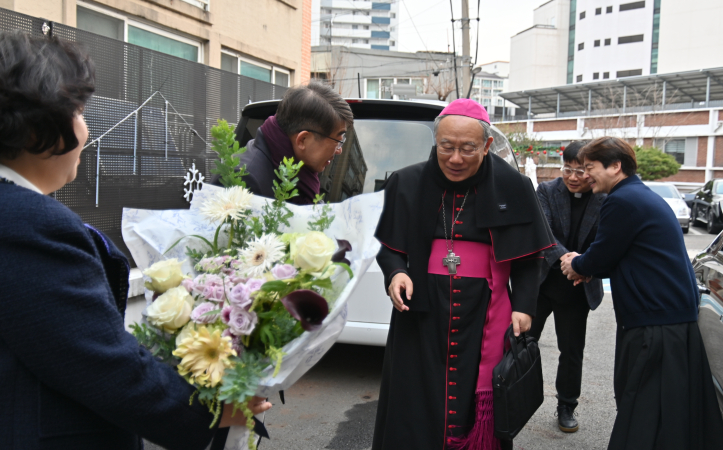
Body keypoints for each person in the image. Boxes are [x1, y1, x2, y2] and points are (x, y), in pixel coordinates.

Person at [0, 31, 271, 450]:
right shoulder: (31, 226)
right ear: (38, 128)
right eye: (79, 113)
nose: (87, 130)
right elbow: (100, 363)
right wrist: (210, 410)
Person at [372, 99, 555, 450]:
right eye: (446, 147)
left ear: (487, 145)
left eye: (468, 148)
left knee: (473, 404)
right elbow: (387, 244)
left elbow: (529, 257)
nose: (455, 158)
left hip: (483, 313)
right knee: (413, 403)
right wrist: (395, 273)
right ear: (436, 142)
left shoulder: (514, 187)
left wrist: (524, 307)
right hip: (420, 317)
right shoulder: (406, 182)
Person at [560, 137, 723, 450]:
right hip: (668, 321)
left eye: (590, 167)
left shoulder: (622, 201)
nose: (586, 174)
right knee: (670, 413)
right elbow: (623, 256)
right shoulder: (638, 195)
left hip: (655, 326)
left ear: (615, 166)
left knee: (645, 412)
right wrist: (586, 265)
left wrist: (576, 264)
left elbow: (601, 256)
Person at [529, 141, 606, 433]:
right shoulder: (547, 191)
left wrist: (583, 266)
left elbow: (604, 241)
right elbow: (543, 233)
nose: (573, 177)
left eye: (580, 171)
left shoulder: (604, 197)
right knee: (521, 343)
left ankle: (566, 405)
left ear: (591, 170)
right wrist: (568, 260)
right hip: (541, 283)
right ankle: (509, 396)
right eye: (567, 169)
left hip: (577, 288)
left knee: (572, 352)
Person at [214, 81, 353, 204]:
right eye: (338, 140)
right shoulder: (243, 179)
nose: (339, 150)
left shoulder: (297, 167)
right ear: (303, 140)